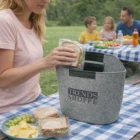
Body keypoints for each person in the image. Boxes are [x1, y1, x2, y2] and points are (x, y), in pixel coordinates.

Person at [0, 0, 76, 114]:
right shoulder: (4, 21)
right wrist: (44, 63)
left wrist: (55, 62)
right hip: (9, 107)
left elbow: (26, 62)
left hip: (34, 98)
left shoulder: (33, 21)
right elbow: (3, 79)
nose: (47, 1)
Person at [116, 7, 140, 77]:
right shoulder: (120, 25)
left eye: (123, 16)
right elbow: (117, 40)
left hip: (134, 55)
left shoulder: (138, 25)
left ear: (130, 16)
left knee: (133, 66)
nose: (121, 18)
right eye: (121, 15)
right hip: (122, 56)